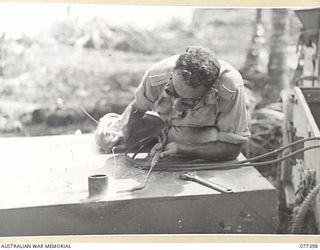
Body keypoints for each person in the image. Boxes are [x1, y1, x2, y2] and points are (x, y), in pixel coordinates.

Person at [95, 46, 250, 161]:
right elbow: (137, 109)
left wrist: (181, 149)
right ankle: (117, 123)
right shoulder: (157, 74)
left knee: (205, 140)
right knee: (107, 141)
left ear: (211, 90)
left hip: (201, 131)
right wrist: (127, 141)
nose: (176, 105)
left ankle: (170, 139)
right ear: (173, 73)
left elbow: (232, 149)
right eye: (172, 92)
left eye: (188, 102)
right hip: (163, 122)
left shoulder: (230, 87)